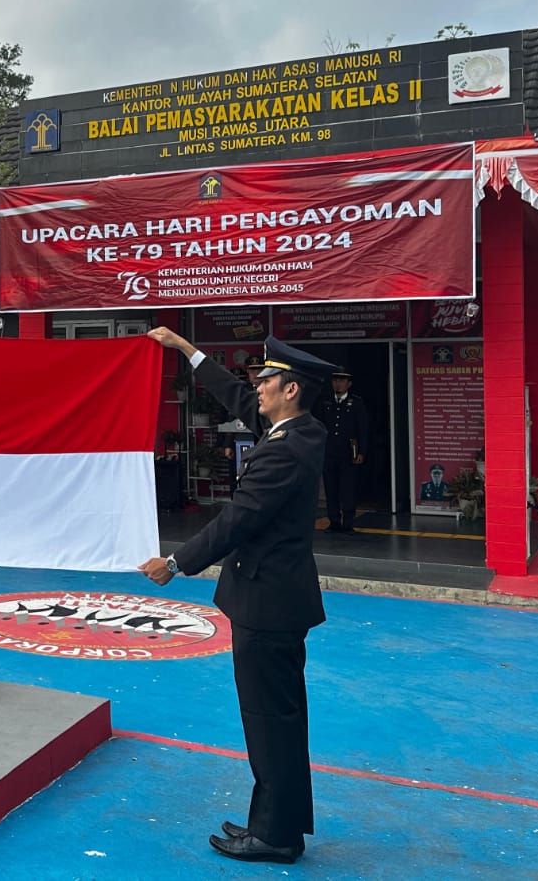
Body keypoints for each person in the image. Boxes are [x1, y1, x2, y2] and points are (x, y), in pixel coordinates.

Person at [139, 330, 334, 865]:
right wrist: (186, 349)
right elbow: (239, 399)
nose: (258, 387)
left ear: (290, 389)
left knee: (270, 720)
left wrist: (176, 563)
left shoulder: (284, 452)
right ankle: (276, 821)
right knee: (282, 717)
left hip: (267, 604)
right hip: (278, 599)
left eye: (267, 380)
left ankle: (275, 837)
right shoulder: (302, 430)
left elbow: (239, 519)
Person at [311, 368, 369, 533]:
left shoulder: (356, 403)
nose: (338, 384)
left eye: (342, 381)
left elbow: (362, 429)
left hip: (348, 453)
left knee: (348, 489)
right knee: (331, 489)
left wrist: (361, 452)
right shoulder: (324, 402)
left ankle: (348, 522)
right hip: (329, 452)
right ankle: (334, 521)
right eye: (335, 380)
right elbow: (317, 426)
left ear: (349, 384)